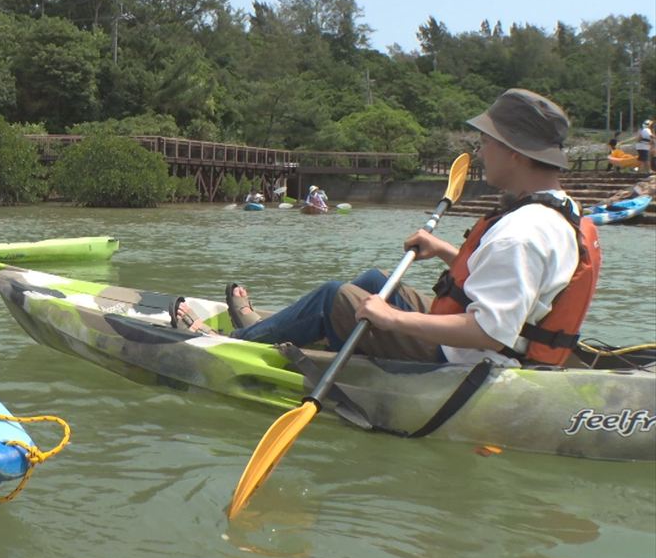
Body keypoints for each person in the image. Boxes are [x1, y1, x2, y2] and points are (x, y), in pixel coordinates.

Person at [181, 88, 601, 368]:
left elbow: (489, 332)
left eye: (487, 141)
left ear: (514, 153)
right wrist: (444, 251)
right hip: (494, 341)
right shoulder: (558, 209)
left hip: (471, 359)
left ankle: (236, 343)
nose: (480, 150)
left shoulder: (521, 233)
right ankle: (264, 329)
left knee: (335, 296)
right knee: (374, 281)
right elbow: (521, 286)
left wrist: (393, 322)